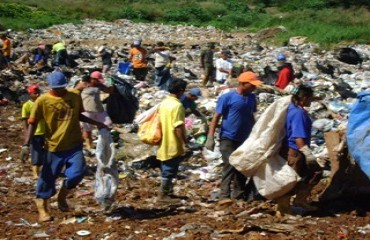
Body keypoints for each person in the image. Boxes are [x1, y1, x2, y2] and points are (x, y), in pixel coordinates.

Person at [22, 71, 108, 222]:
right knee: (47, 179)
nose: (60, 90)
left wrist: (97, 123)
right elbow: (32, 123)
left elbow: (78, 115)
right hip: (54, 147)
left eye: (62, 87)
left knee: (78, 173)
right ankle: (43, 209)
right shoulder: (42, 101)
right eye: (57, 88)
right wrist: (25, 145)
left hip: (74, 145)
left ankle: (62, 196)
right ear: (50, 87)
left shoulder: (74, 96)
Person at [205, 71, 263, 200]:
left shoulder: (252, 98)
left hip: (245, 139)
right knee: (230, 165)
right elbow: (216, 118)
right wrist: (210, 137)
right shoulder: (228, 97)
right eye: (252, 84)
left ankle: (238, 194)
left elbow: (251, 117)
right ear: (243, 83)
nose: (254, 87)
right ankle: (224, 195)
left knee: (241, 166)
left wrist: (254, 135)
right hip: (228, 137)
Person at [276, 85, 324, 214]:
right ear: (303, 97)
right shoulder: (298, 113)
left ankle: (300, 200)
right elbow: (298, 136)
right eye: (310, 98)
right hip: (295, 151)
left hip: (291, 150)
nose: (311, 101)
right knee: (292, 180)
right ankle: (284, 208)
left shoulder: (292, 108)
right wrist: (307, 153)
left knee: (309, 174)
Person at [157, 78, 188, 202]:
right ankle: (163, 195)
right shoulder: (177, 105)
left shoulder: (164, 102)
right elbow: (178, 126)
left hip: (163, 140)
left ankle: (169, 192)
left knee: (167, 167)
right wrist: (183, 143)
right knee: (169, 169)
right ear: (180, 90)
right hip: (172, 142)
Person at [76, 71, 114, 154]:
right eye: (97, 80)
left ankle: (103, 144)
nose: (98, 82)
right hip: (86, 111)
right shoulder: (83, 84)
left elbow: (109, 91)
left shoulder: (99, 85)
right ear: (92, 79)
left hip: (99, 110)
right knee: (88, 130)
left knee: (108, 125)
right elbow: (74, 92)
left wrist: (113, 84)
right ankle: (89, 146)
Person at [21, 85, 46, 180]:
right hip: (34, 134)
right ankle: (35, 173)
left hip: (45, 132)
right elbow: (25, 122)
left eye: (38, 92)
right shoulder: (26, 105)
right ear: (30, 94)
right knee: (36, 154)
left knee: (46, 153)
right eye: (35, 93)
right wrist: (27, 136)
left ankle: (43, 170)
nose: (37, 94)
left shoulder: (42, 103)